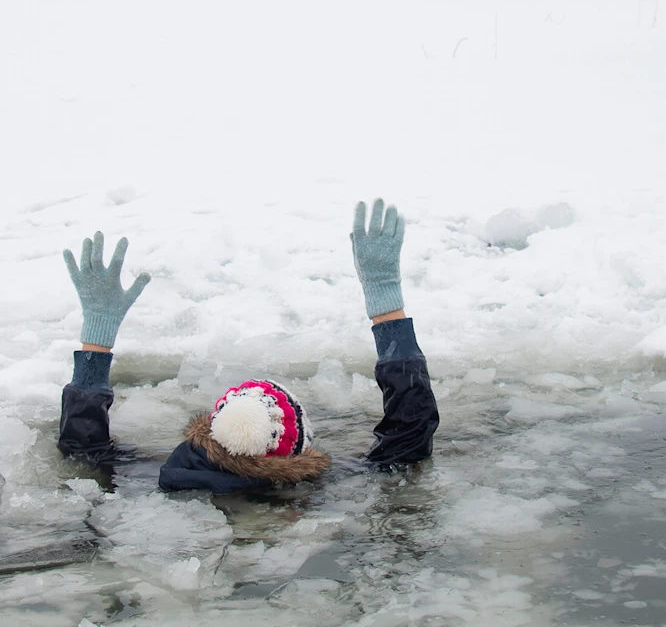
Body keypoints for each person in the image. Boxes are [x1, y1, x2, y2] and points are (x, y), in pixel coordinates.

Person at [57, 199, 440, 493]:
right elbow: (409, 435)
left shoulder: (172, 473)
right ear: (296, 448)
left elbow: (84, 452)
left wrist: (97, 337)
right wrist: (386, 305)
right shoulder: (324, 488)